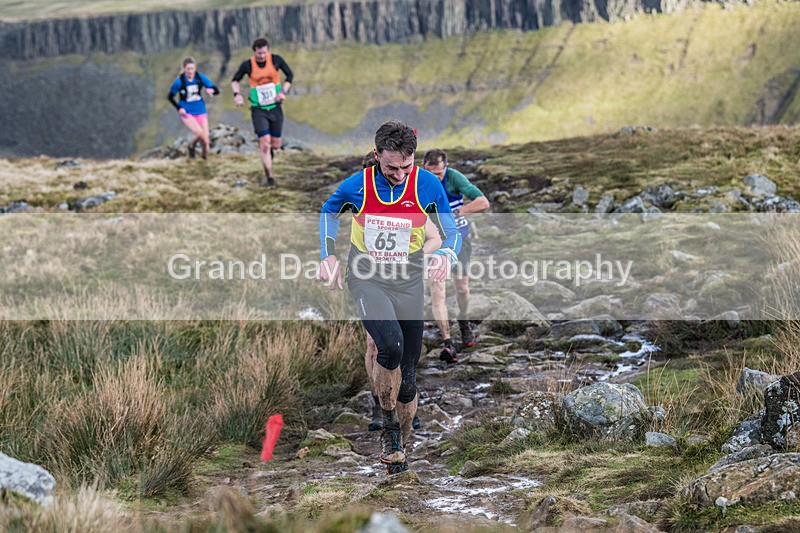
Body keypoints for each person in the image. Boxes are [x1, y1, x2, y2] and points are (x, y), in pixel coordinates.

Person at [319, 121, 461, 474]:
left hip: (408, 281)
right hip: (367, 278)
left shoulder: (427, 184)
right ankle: (389, 429)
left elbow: (451, 230)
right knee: (389, 347)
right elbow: (328, 212)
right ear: (377, 154)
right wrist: (328, 255)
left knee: (409, 376)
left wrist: (446, 254)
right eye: (391, 167)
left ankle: (402, 445)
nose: (399, 174)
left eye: (406, 166)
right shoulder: (359, 185)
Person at [359, 150, 440, 433]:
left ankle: (404, 399)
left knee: (404, 352)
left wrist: (417, 258)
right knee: (375, 344)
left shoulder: (409, 203)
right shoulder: (361, 201)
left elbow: (434, 237)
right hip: (372, 283)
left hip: (405, 285)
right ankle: (380, 401)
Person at [422, 149, 490, 363]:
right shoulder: (417, 181)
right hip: (433, 242)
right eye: (430, 174)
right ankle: (447, 342)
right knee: (438, 291)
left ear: (446, 168)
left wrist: (458, 212)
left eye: (439, 174)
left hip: (459, 239)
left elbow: (483, 201)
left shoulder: (454, 178)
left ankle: (463, 319)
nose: (435, 178)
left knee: (462, 288)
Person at [231, 37, 294, 187]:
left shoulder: (276, 60)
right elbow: (235, 80)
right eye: (259, 53)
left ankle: (270, 156)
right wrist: (237, 95)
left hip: (275, 107)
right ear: (254, 52)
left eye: (264, 53)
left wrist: (283, 92)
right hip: (258, 109)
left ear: (267, 50)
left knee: (275, 144)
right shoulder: (247, 65)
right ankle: (270, 177)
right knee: (264, 143)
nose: (262, 56)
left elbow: (289, 75)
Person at [167, 57, 219, 160]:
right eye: (188, 69)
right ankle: (191, 146)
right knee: (199, 133)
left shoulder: (200, 78)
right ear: (184, 70)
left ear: (195, 68)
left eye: (192, 69)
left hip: (200, 110)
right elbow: (170, 97)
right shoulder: (179, 81)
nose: (190, 71)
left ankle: (205, 160)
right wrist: (179, 108)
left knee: (206, 140)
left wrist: (211, 91)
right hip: (187, 112)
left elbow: (216, 90)